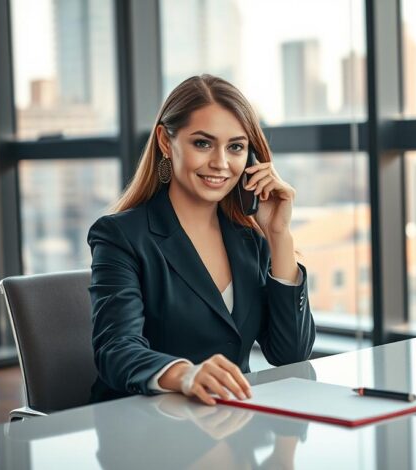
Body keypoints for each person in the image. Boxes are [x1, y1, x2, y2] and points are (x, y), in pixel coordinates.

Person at [87, 74, 315, 405]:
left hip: (233, 427)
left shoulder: (250, 239)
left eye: (235, 147)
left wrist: (279, 235)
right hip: (144, 426)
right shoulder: (121, 236)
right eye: (203, 143)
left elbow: (290, 354)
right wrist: (186, 374)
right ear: (166, 142)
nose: (220, 163)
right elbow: (116, 350)